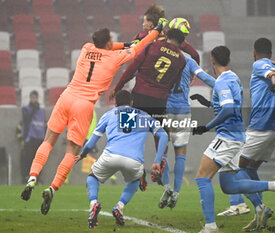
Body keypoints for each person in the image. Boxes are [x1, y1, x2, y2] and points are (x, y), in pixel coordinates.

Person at [20, 18, 168, 215]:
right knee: (71, 151)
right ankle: (52, 188)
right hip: (83, 104)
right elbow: (140, 47)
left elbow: (111, 46)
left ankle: (32, 177)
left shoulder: (86, 47)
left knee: (48, 141)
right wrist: (157, 30)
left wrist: (124, 44)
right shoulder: (114, 58)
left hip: (66, 97)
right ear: (108, 43)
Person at [191, 46, 275, 233]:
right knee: (228, 186)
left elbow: (228, 110)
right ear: (228, 60)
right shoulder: (233, 77)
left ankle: (210, 226)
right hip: (237, 136)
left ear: (212, 60)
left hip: (227, 136)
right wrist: (206, 103)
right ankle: (274, 185)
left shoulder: (222, 81)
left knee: (202, 178)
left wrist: (206, 127)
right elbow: (227, 105)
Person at [75, 90, 168, 228]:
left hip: (110, 156)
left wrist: (82, 154)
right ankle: (119, 207)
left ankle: (94, 204)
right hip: (134, 161)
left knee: (92, 176)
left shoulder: (108, 115)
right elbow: (164, 136)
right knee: (136, 179)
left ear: (115, 103)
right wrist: (157, 160)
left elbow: (91, 142)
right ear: (131, 103)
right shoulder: (144, 116)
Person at [114, 28, 186, 184]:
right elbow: (174, 84)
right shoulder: (181, 59)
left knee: (130, 133)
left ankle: (136, 169)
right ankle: (159, 161)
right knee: (160, 134)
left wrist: (118, 87)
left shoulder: (151, 47)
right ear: (181, 42)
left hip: (139, 96)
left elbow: (131, 69)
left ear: (167, 36)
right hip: (159, 101)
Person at [158, 56, 216, 209]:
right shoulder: (188, 61)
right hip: (183, 109)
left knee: (162, 151)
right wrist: (221, 86)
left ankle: (166, 187)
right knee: (180, 154)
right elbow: (204, 77)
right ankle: (176, 192)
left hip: (165, 109)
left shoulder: (163, 58)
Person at [235, 37, 275, 231]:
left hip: (260, 126)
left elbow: (271, 75)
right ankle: (260, 213)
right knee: (251, 167)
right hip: (274, 127)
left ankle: (260, 205)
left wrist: (274, 77)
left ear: (255, 52)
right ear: (270, 53)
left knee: (235, 168)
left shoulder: (260, 64)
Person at [133, 4, 199, 64]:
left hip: (146, 72)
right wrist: (195, 70)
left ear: (150, 23)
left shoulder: (141, 36)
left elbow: (130, 52)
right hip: (168, 73)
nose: (143, 24)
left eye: (144, 21)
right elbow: (195, 54)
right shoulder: (172, 35)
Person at [20, 90, 46, 184]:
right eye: (32, 98)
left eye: (35, 97)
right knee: (28, 159)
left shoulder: (41, 111)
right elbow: (26, 120)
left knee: (38, 159)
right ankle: (27, 177)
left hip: (39, 138)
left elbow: (44, 123)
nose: (34, 99)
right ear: (30, 98)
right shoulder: (26, 109)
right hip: (29, 138)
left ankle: (37, 178)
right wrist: (33, 109)